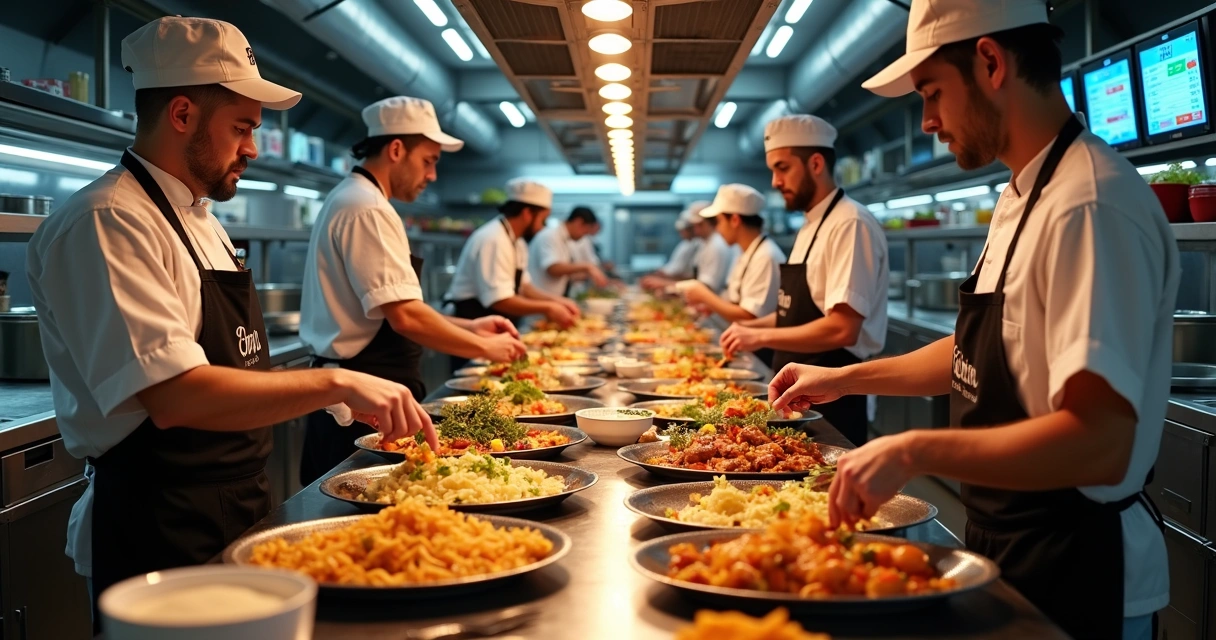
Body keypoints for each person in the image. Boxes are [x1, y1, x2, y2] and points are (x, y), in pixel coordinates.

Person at [769, 1, 1174, 637]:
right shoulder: (1021, 195)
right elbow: (975, 353)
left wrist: (913, 449)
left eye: (931, 93)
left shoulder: (1088, 206)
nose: (927, 121)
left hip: (1078, 565)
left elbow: (1100, 443)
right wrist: (842, 380)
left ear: (990, 62)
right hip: (1006, 540)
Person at [24, 17, 435, 626]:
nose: (252, 147)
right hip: (158, 525)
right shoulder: (107, 221)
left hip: (236, 501)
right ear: (183, 114)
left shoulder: (203, 221)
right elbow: (173, 395)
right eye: (242, 128)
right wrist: (338, 383)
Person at [297, 96, 526, 485]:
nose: (433, 175)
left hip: (367, 394)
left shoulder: (359, 199)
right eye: (429, 160)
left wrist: (471, 328)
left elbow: (397, 306)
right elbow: (404, 317)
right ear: (397, 149)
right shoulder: (365, 206)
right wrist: (486, 349)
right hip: (359, 403)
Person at [721, 114, 888, 446]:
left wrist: (762, 335)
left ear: (815, 163)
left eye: (782, 168)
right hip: (798, 395)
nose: (774, 181)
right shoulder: (811, 225)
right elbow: (795, 313)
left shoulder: (849, 224)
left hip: (834, 399)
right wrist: (751, 330)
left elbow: (842, 328)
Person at [443, 178, 580, 366]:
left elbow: (525, 287)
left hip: (493, 326)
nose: (543, 227)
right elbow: (500, 300)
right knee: (478, 386)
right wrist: (547, 308)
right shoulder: (493, 239)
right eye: (543, 219)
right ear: (527, 213)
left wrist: (559, 301)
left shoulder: (517, 242)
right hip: (472, 323)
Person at [680, 184, 786, 339]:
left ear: (735, 220)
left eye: (719, 222)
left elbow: (750, 316)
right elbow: (735, 301)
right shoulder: (744, 252)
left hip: (760, 351)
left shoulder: (766, 256)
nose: (718, 229)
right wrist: (713, 308)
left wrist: (704, 295)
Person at [528, 206, 609, 296]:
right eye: (585, 232)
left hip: (553, 298)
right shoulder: (550, 236)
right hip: (539, 301)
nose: (584, 236)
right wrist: (587, 267)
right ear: (579, 222)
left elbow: (565, 272)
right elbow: (552, 269)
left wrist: (589, 275)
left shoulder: (566, 240)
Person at [640, 203, 707, 290]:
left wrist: (664, 281)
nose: (682, 234)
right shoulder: (686, 245)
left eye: (696, 226)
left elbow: (696, 280)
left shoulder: (708, 245)